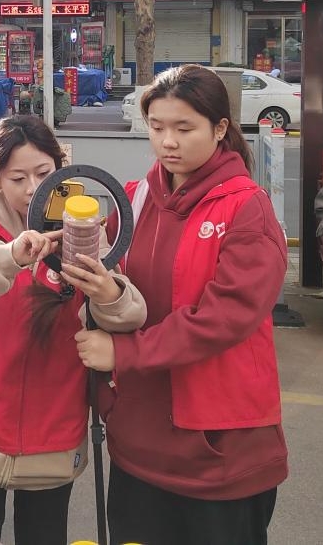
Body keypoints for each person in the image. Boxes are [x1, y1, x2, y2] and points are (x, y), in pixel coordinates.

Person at [75, 64, 288, 545]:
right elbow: (102, 283)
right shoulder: (135, 199)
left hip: (220, 451)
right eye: (157, 127)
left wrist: (124, 352)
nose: (168, 142)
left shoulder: (246, 207)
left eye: (184, 128)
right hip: (138, 442)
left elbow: (225, 316)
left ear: (220, 129)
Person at [0, 115, 145, 544]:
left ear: (61, 168)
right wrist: (7, 256)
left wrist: (107, 291)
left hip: (52, 434)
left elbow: (130, 315)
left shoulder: (85, 232)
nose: (32, 188)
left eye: (43, 174)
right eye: (17, 178)